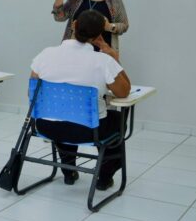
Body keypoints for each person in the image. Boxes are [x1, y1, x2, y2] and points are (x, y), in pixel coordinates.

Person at [31, 10, 131, 190]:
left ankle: (68, 170)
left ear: (74, 25)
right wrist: (114, 58)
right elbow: (124, 92)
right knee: (117, 119)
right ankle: (104, 176)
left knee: (63, 113)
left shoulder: (45, 54)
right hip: (88, 131)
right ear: (98, 35)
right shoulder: (102, 60)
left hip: (46, 126)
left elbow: (33, 92)